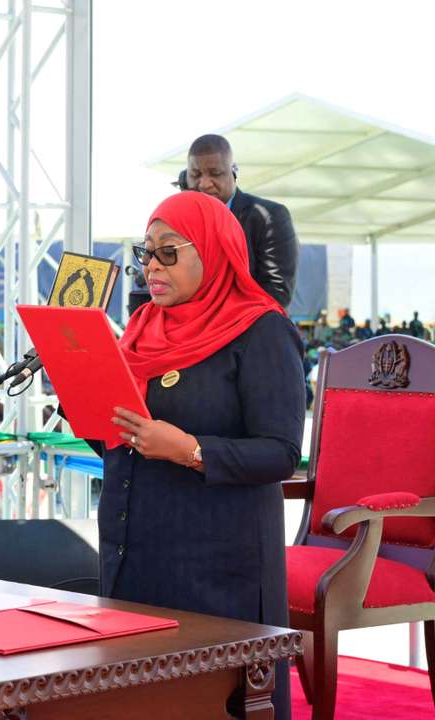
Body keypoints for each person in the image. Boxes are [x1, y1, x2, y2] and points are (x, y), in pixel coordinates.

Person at [107, 191, 304, 716]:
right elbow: (121, 438)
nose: (152, 265)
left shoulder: (262, 329)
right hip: (136, 552)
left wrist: (190, 450)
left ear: (215, 251)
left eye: (168, 251)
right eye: (145, 252)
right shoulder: (142, 327)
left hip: (217, 567)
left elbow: (282, 453)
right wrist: (87, 402)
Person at [185, 134, 299, 308]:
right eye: (195, 175)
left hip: (246, 329)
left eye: (215, 174)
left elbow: (277, 292)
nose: (204, 183)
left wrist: (217, 318)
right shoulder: (181, 220)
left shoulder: (268, 216)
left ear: (233, 171)